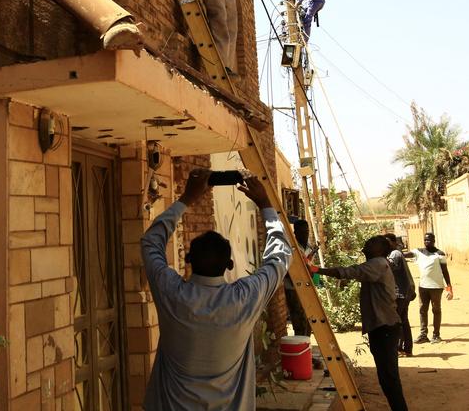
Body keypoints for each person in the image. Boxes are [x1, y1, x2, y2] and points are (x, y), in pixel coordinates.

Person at [141, 169, 292, 410]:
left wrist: (186, 199)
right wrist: (265, 203)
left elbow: (150, 243)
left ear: (188, 260)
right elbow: (280, 256)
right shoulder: (245, 298)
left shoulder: (172, 293)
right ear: (229, 265)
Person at [312, 235, 408, 411]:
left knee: (389, 377)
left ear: (379, 249)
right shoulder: (378, 263)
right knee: (386, 377)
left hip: (385, 327)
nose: (367, 243)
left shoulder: (378, 263)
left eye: (372, 243)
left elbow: (350, 271)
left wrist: (317, 269)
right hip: (382, 327)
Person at [404, 232, 453, 344]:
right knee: (422, 310)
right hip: (423, 287)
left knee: (436, 310)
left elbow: (445, 271)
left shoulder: (439, 254)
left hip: (436, 287)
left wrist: (449, 287)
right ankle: (423, 334)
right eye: (425, 240)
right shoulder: (419, 252)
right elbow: (406, 255)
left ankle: (436, 335)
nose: (427, 242)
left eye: (429, 240)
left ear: (434, 240)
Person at [384, 233, 417, 356]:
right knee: (403, 320)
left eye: (387, 242)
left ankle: (399, 348)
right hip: (403, 292)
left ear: (393, 242)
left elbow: (388, 267)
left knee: (397, 322)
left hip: (401, 293)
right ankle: (407, 349)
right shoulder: (395, 253)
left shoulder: (395, 254)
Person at [283, 218, 315, 337]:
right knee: (298, 320)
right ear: (295, 233)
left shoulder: (309, 248)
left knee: (309, 319)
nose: (305, 234)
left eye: (306, 231)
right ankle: (301, 344)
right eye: (302, 232)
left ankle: (306, 345)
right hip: (293, 289)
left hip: (307, 287)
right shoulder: (290, 249)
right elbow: (285, 271)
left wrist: (311, 271)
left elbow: (311, 267)